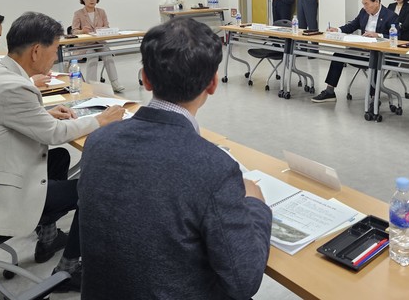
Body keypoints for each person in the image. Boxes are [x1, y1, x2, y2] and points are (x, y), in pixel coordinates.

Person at [78, 18, 271, 300]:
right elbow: (245, 281)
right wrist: (256, 204)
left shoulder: (98, 141)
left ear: (145, 79)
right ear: (213, 84)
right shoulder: (213, 167)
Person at [0, 12, 125, 292]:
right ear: (36, 51)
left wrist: (43, 113)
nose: (55, 58)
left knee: (59, 157)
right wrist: (100, 120)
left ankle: (48, 236)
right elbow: (54, 134)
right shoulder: (14, 87)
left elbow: (10, 118)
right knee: (94, 191)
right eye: (55, 51)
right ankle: (68, 269)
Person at [311, 0, 399, 103]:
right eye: (363, 4)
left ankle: (374, 98)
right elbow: (352, 26)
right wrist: (337, 30)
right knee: (338, 55)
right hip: (364, 51)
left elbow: (397, 37)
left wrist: (378, 35)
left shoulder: (390, 16)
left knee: (375, 61)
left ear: (377, 2)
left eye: (366, 4)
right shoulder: (364, 12)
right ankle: (329, 91)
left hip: (382, 55)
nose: (364, 7)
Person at [71, 0, 125, 93]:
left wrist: (102, 29)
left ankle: (115, 82)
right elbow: (74, 31)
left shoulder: (101, 12)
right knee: (93, 55)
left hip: (100, 42)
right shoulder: (78, 13)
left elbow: (107, 26)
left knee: (107, 53)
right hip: (85, 45)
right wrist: (82, 31)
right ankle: (91, 85)